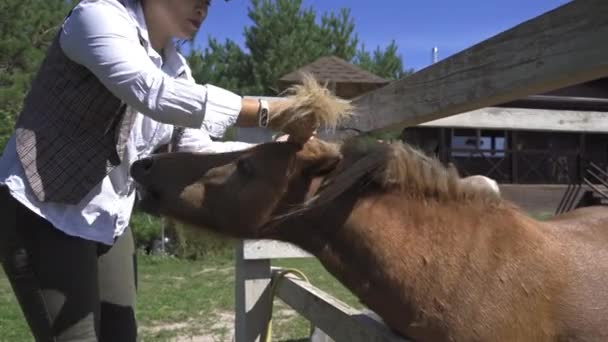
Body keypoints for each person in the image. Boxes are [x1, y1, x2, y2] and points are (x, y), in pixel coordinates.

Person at [0, 0, 317, 341]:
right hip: (42, 209)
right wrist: (266, 111)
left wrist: (275, 151)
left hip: (109, 220)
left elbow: (196, 149)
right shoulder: (94, 17)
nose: (204, 7)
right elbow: (152, 92)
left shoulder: (176, 68)